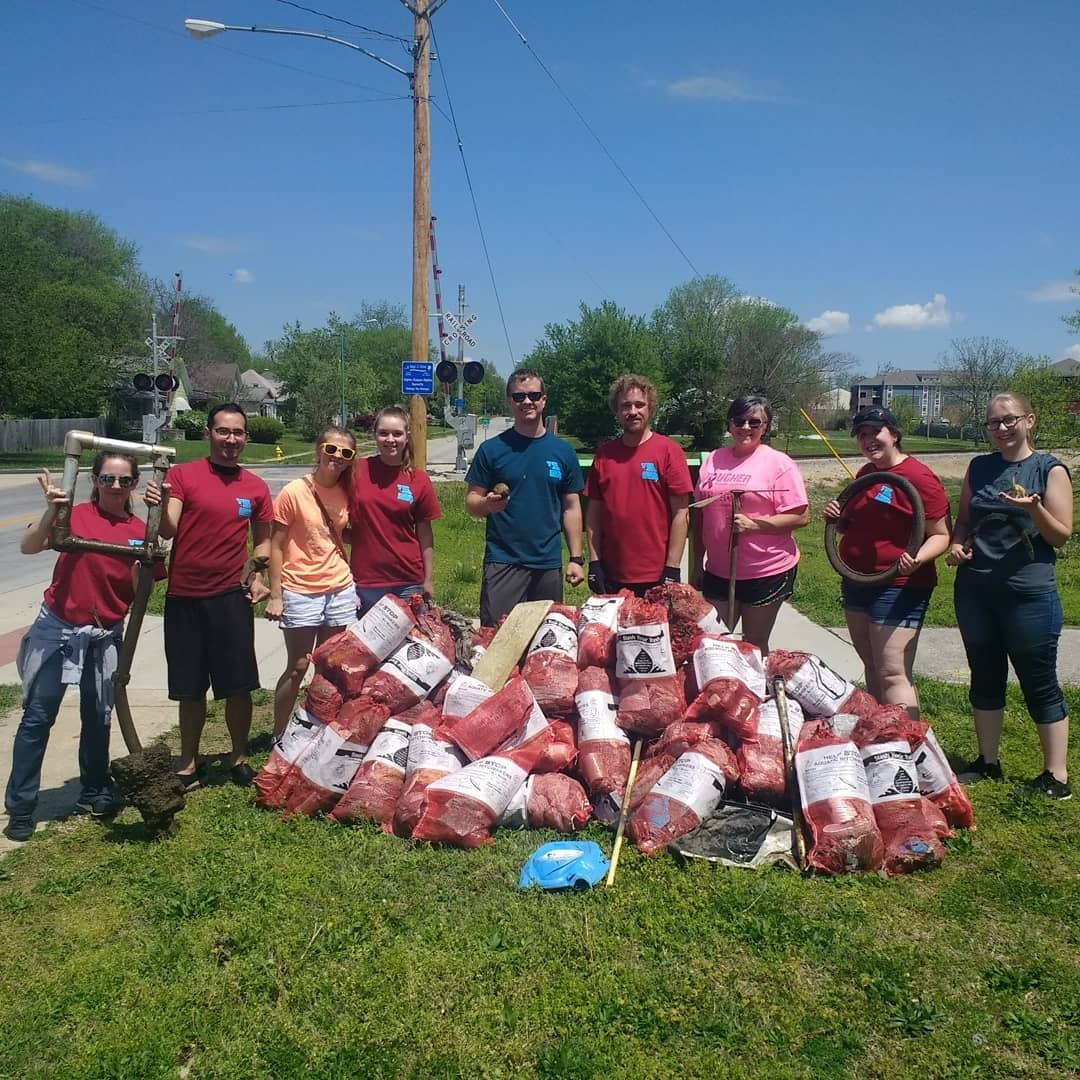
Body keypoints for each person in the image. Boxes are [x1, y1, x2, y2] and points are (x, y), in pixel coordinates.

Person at [3, 453, 164, 842]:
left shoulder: (139, 528)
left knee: (98, 716)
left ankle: (94, 789)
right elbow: (29, 546)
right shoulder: (73, 515)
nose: (115, 486)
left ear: (135, 486)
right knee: (38, 718)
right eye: (107, 478)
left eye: (124, 480)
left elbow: (149, 584)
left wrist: (150, 550)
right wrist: (50, 512)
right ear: (93, 480)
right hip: (58, 631)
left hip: (104, 634)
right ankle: (22, 806)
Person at [946, 392, 1073, 799]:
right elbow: (964, 520)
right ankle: (987, 762)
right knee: (985, 674)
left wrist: (1034, 508)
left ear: (1029, 420)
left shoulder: (1049, 469)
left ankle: (1056, 776)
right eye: (992, 423)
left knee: (1038, 680)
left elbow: (1061, 535)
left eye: (1009, 420)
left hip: (1029, 594)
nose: (1000, 429)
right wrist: (956, 545)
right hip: (976, 591)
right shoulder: (980, 467)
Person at [149, 404, 273, 789]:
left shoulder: (255, 487)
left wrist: (258, 571)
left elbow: (264, 539)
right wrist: (158, 504)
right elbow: (168, 530)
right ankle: (188, 763)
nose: (230, 439)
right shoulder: (182, 476)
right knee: (190, 688)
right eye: (223, 431)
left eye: (237, 433)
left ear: (246, 438)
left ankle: (238, 758)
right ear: (208, 434)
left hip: (230, 598)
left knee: (238, 686)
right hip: (185, 597)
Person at [822, 405, 951, 721]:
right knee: (870, 663)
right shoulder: (866, 475)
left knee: (893, 670)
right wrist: (836, 518)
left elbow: (941, 534)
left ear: (893, 434)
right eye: (862, 435)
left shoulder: (919, 477)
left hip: (900, 584)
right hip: (857, 581)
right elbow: (849, 525)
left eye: (875, 432)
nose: (868, 440)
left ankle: (908, 745)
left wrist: (917, 558)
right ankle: (882, 738)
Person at [691, 394, 809, 654]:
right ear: (729, 423)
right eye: (739, 420)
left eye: (754, 422)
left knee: (753, 644)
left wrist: (755, 525)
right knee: (711, 641)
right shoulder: (713, 460)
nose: (745, 427)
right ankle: (721, 691)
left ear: (765, 427)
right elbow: (700, 515)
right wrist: (697, 562)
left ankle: (754, 692)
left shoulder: (779, 464)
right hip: (719, 570)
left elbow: (801, 516)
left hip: (766, 570)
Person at [465, 370, 585, 625]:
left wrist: (575, 559)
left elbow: (571, 508)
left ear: (544, 400)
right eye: (519, 396)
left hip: (547, 563)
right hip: (503, 561)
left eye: (534, 395)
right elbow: (471, 503)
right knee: (497, 640)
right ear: (509, 402)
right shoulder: (492, 450)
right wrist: (486, 504)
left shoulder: (562, 451)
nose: (527, 401)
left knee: (546, 642)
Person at [266, 426, 357, 737]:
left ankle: (318, 731)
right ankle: (279, 734)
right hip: (300, 589)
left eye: (346, 453)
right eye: (331, 450)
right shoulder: (294, 491)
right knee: (298, 666)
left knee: (330, 668)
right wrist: (275, 594)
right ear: (319, 450)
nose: (337, 458)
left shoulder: (349, 491)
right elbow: (275, 545)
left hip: (339, 587)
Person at [585, 374, 693, 596]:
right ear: (617, 411)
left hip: (656, 574)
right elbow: (594, 515)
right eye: (625, 405)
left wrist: (672, 567)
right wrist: (595, 563)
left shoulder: (669, 451)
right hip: (612, 573)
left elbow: (681, 514)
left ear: (650, 408)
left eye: (639, 405)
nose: (632, 411)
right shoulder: (604, 455)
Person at [349, 405, 440, 615]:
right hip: (367, 581)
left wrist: (427, 579)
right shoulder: (357, 471)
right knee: (369, 647)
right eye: (383, 433)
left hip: (408, 580)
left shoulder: (418, 480)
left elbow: (425, 534)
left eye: (397, 433)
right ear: (374, 435)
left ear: (407, 436)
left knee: (411, 646)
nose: (390, 439)